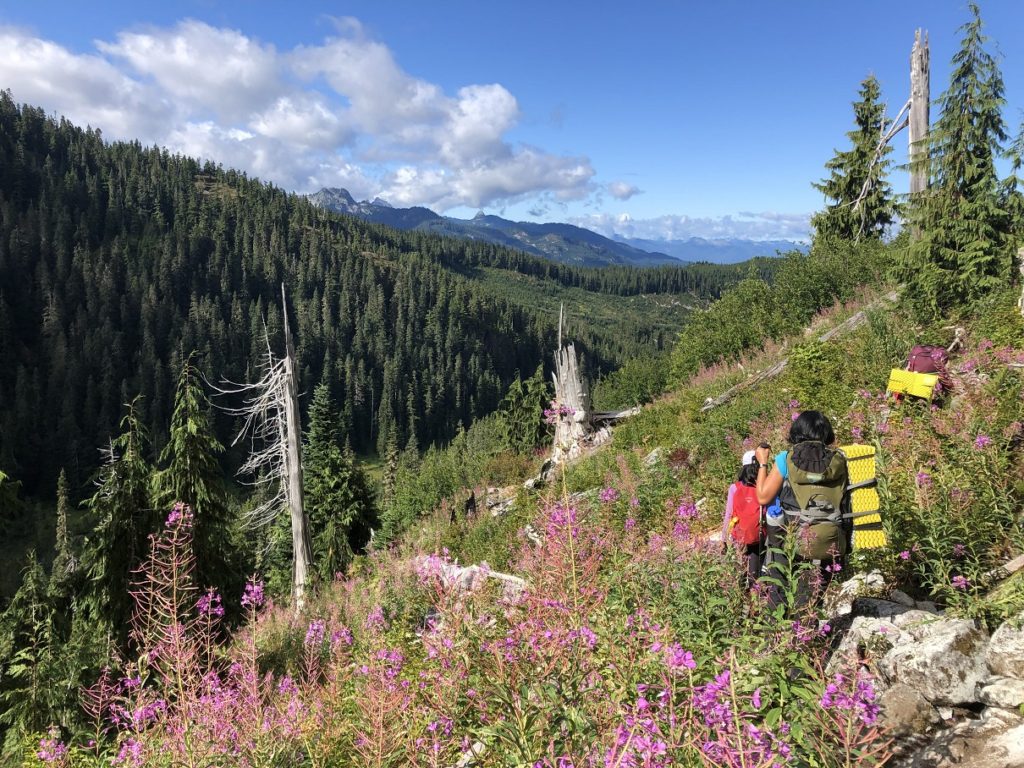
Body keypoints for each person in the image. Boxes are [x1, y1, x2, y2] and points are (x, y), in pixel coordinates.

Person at [755, 410, 848, 611]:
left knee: (780, 584)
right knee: (815, 592)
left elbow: (763, 496)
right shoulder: (838, 460)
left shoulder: (785, 459)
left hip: (790, 536)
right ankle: (807, 630)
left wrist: (763, 462)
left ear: (797, 431)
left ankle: (777, 635)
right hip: (829, 536)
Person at [721, 450, 766, 587]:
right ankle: (755, 592)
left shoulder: (734, 487)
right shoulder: (762, 487)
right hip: (758, 534)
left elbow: (729, 514)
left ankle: (739, 591)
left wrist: (724, 538)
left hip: (739, 533)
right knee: (755, 566)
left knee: (739, 564)